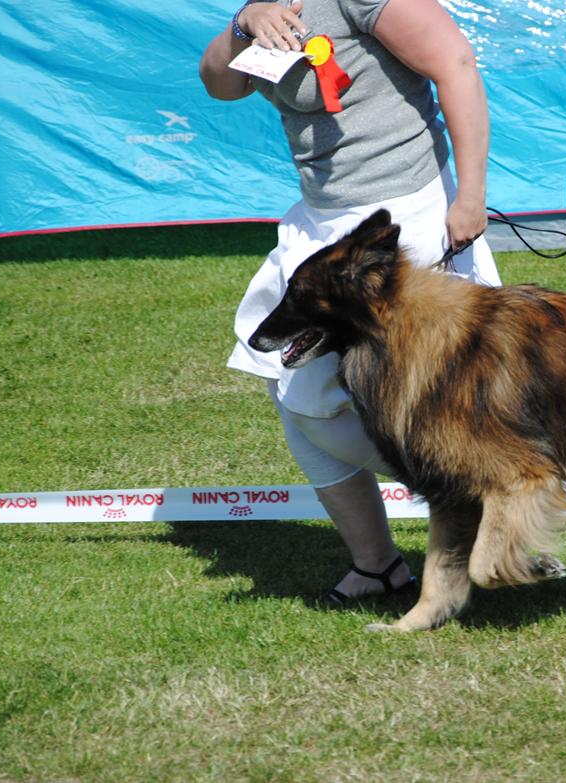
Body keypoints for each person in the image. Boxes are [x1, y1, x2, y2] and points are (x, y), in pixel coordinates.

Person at [199, 0, 500, 604]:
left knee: (447, 403)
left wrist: (470, 196)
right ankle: (383, 562)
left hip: (403, 219)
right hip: (323, 221)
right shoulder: (265, 8)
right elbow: (219, 84)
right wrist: (244, 22)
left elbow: (457, 65)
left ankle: (493, 492)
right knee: (297, 397)